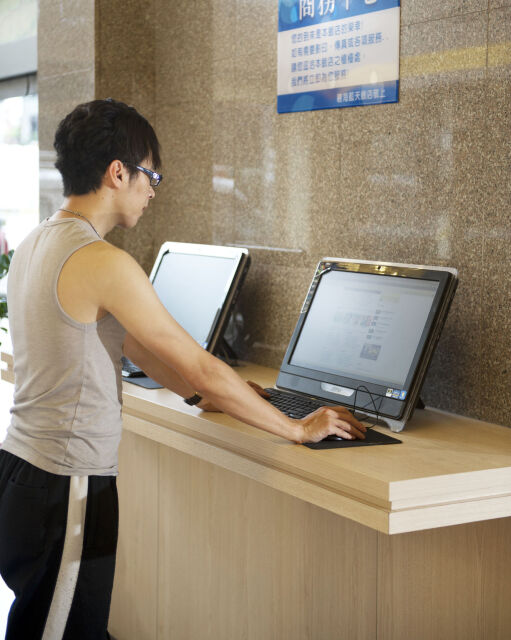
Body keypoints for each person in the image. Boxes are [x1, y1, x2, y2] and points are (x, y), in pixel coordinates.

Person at [0, 98, 365, 639]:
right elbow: (197, 363)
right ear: (117, 173)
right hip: (67, 486)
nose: (153, 191)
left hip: (23, 472)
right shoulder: (101, 261)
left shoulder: (37, 241)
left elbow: (142, 349)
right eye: (150, 176)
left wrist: (204, 398)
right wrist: (295, 428)